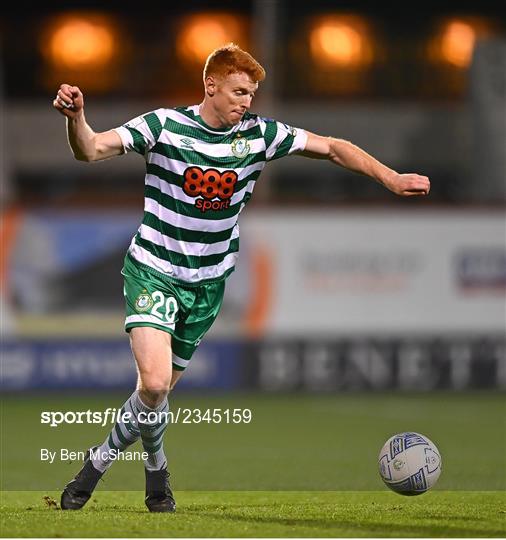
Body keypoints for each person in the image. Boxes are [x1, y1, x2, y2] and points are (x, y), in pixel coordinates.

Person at [53, 43, 430, 513]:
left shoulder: (260, 136)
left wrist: (390, 178)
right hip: (153, 269)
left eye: (251, 94)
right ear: (210, 85)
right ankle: (98, 469)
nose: (246, 102)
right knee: (151, 384)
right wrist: (76, 118)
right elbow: (90, 150)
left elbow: (333, 148)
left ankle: (155, 469)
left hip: (208, 283)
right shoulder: (163, 125)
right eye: (238, 91)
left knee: (157, 398)